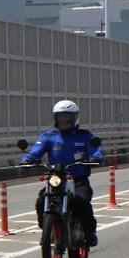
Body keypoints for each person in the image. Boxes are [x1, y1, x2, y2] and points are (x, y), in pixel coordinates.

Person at [21, 100, 104, 246]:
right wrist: (27, 160)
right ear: (55, 118)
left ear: (74, 118)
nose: (63, 120)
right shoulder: (49, 136)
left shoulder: (85, 136)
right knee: (41, 201)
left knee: (83, 202)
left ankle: (90, 232)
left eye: (67, 116)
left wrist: (96, 157)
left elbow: (95, 150)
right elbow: (35, 152)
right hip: (56, 178)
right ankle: (47, 229)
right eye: (60, 116)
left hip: (78, 179)